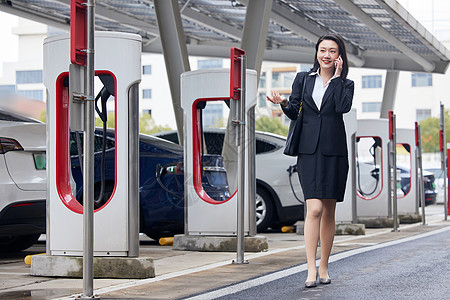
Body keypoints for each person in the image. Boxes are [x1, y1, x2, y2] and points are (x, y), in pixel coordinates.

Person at [267, 34, 354, 288]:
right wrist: (283, 102)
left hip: (334, 152)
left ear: (339, 56)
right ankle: (310, 269)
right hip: (308, 151)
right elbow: (295, 111)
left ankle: (324, 266)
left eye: (332, 51)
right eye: (322, 50)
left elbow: (342, 108)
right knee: (314, 208)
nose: (326, 55)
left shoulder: (346, 84)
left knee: (329, 210)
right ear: (316, 52)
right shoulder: (303, 79)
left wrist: (336, 79)